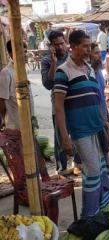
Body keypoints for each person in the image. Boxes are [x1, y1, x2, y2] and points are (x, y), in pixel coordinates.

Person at [54, 30, 109, 219]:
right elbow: (58, 107)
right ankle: (89, 216)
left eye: (90, 45)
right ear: (73, 46)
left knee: (103, 171)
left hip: (97, 128)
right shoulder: (63, 71)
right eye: (85, 46)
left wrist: (106, 127)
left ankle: (103, 211)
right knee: (93, 172)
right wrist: (64, 138)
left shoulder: (89, 69)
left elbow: (98, 100)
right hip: (81, 132)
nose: (89, 50)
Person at [0, 40, 48, 178]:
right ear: (11, 53)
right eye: (22, 52)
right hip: (15, 127)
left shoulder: (22, 71)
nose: (25, 55)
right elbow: (2, 102)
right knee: (23, 168)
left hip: (28, 126)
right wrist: (2, 121)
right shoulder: (6, 73)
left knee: (33, 164)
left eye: (26, 51)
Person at [41, 30, 81, 176]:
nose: (60, 47)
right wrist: (53, 62)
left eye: (61, 43)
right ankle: (61, 168)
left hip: (74, 104)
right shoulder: (46, 61)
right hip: (58, 105)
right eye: (56, 45)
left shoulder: (71, 57)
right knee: (60, 138)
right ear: (51, 46)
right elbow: (47, 83)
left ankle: (77, 163)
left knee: (76, 134)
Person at [90, 42, 109, 136]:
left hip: (103, 118)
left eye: (99, 52)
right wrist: (105, 124)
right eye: (96, 53)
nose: (100, 55)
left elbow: (102, 98)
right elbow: (95, 102)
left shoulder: (99, 72)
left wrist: (107, 117)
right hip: (95, 121)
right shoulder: (88, 74)